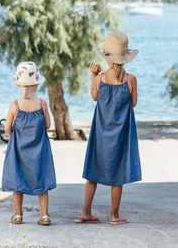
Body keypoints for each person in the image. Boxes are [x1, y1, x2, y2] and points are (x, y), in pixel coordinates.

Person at [76, 32, 142, 225]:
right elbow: (134, 103)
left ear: (107, 57)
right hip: (121, 133)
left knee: (92, 172)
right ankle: (114, 216)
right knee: (117, 175)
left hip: (100, 132)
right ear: (124, 59)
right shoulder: (131, 80)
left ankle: (85, 212)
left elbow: (94, 97)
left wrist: (93, 76)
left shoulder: (100, 79)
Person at [2, 62, 56, 226]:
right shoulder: (42, 104)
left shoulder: (15, 105)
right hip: (39, 150)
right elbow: (47, 126)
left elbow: (6, 128)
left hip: (18, 150)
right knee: (42, 179)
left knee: (17, 181)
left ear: (18, 84)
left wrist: (15, 138)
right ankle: (45, 215)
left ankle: (18, 215)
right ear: (37, 84)